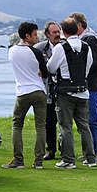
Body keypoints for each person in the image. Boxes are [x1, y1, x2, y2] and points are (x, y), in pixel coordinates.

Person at [47, 17, 95, 169]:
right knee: (84, 127)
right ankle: (90, 158)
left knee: (65, 127)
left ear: (63, 31)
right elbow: (89, 66)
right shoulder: (86, 46)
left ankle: (68, 160)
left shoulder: (61, 48)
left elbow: (51, 68)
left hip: (66, 92)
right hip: (83, 91)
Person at [2, 22, 47, 170]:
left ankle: (19, 160)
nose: (36, 38)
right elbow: (45, 72)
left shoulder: (12, 51)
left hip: (22, 91)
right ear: (27, 36)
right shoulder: (36, 52)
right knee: (40, 126)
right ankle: (38, 160)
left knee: (17, 124)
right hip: (39, 90)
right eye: (34, 35)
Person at [70, 12, 97, 162]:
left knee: (93, 118)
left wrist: (82, 69)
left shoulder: (90, 39)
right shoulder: (85, 38)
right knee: (86, 118)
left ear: (79, 25)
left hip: (91, 84)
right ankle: (91, 150)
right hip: (88, 83)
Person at [35, 21, 62, 160]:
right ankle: (50, 150)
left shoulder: (65, 47)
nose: (57, 35)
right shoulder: (39, 49)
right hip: (47, 91)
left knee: (65, 122)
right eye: (54, 32)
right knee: (49, 122)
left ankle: (65, 150)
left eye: (58, 32)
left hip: (64, 90)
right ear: (47, 34)